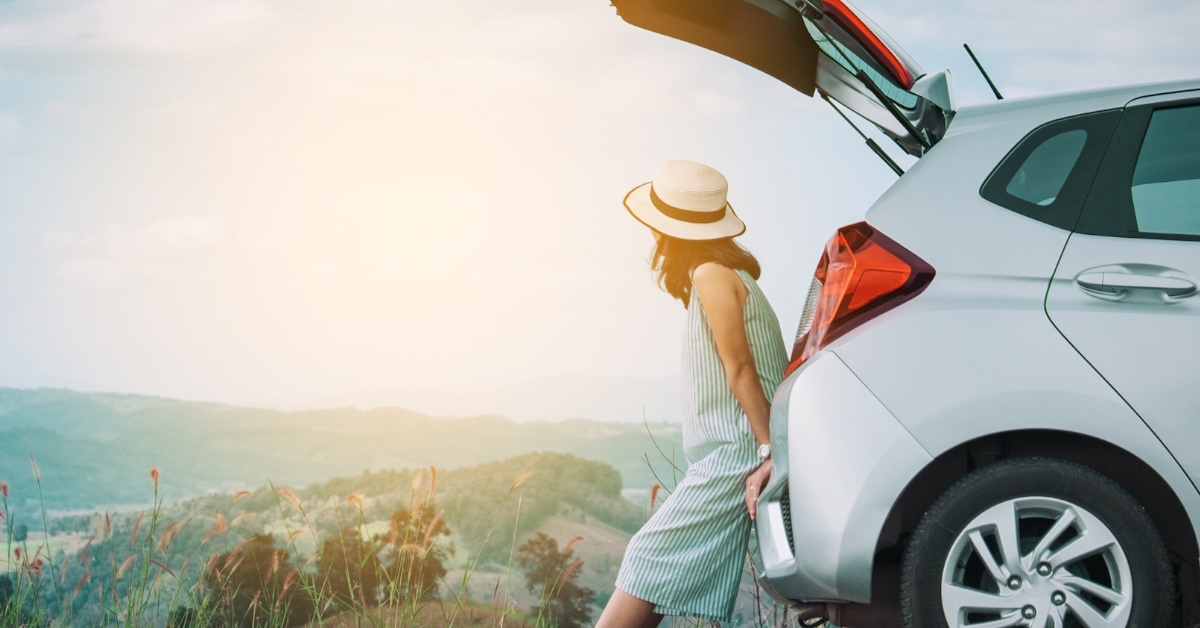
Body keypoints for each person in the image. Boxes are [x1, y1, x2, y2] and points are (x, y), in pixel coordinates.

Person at [597, 159, 788, 627]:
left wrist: (768, 453)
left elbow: (741, 369)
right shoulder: (730, 274)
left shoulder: (710, 274)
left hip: (736, 452)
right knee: (652, 565)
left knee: (647, 556)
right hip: (736, 449)